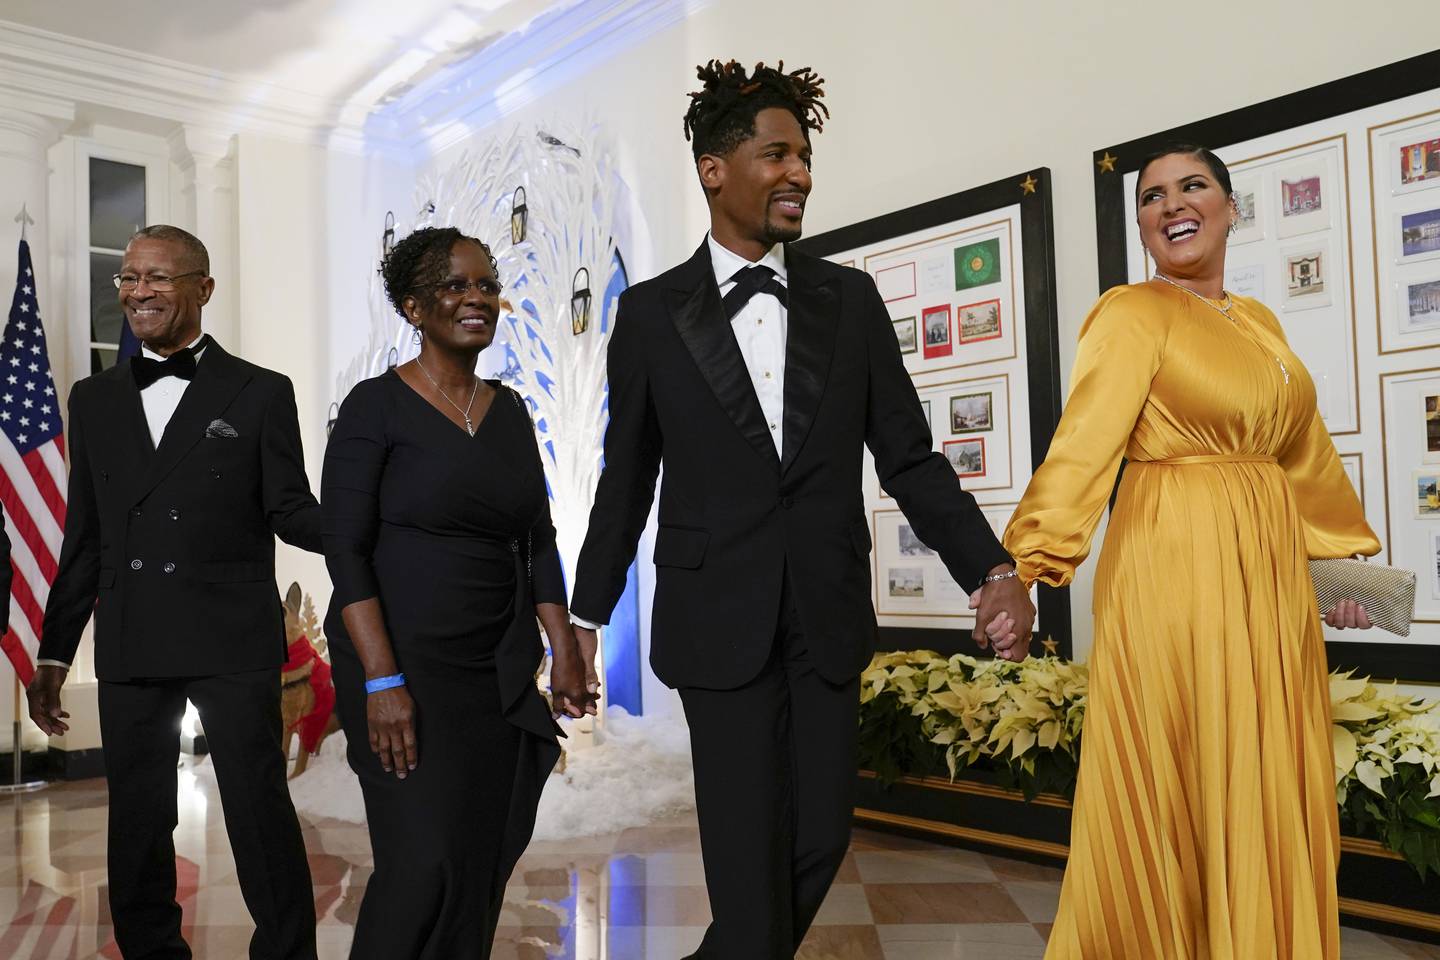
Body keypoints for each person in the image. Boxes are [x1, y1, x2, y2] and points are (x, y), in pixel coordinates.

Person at [567, 60, 1034, 959]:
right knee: (747, 858)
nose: (800, 174)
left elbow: (910, 457)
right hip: (716, 620)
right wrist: (585, 615)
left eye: (806, 157)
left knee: (820, 837)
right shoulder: (654, 316)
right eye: (776, 154)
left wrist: (993, 568)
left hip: (822, 613)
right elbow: (625, 478)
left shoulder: (848, 300)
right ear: (714, 168)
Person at [1001, 144, 1378, 959]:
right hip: (1175, 563)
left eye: (1193, 186)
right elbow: (1084, 446)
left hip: (1269, 576)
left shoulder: (1262, 325)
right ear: (1140, 224)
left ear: (1231, 207)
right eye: (1152, 196)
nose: (1172, 204)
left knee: (1265, 769)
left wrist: (1342, 567)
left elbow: (1305, 456)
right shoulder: (1132, 311)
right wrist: (1026, 567)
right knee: (1182, 767)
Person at [28, 224, 321, 959]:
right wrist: (55, 653)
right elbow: (85, 533)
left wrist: (372, 523)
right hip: (133, 632)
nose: (137, 292)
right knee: (137, 819)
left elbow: (290, 508)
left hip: (230, 633)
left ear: (203, 288)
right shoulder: (91, 398)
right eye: (128, 278)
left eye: (157, 277)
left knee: (258, 811)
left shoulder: (260, 392)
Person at [322, 226, 592, 959]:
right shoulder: (372, 408)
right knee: (422, 865)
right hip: (402, 663)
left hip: (494, 667)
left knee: (481, 856)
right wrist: (383, 679)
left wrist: (565, 647)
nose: (477, 298)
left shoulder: (509, 412)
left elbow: (537, 537)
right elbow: (344, 552)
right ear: (413, 307)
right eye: (455, 285)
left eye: (486, 285)